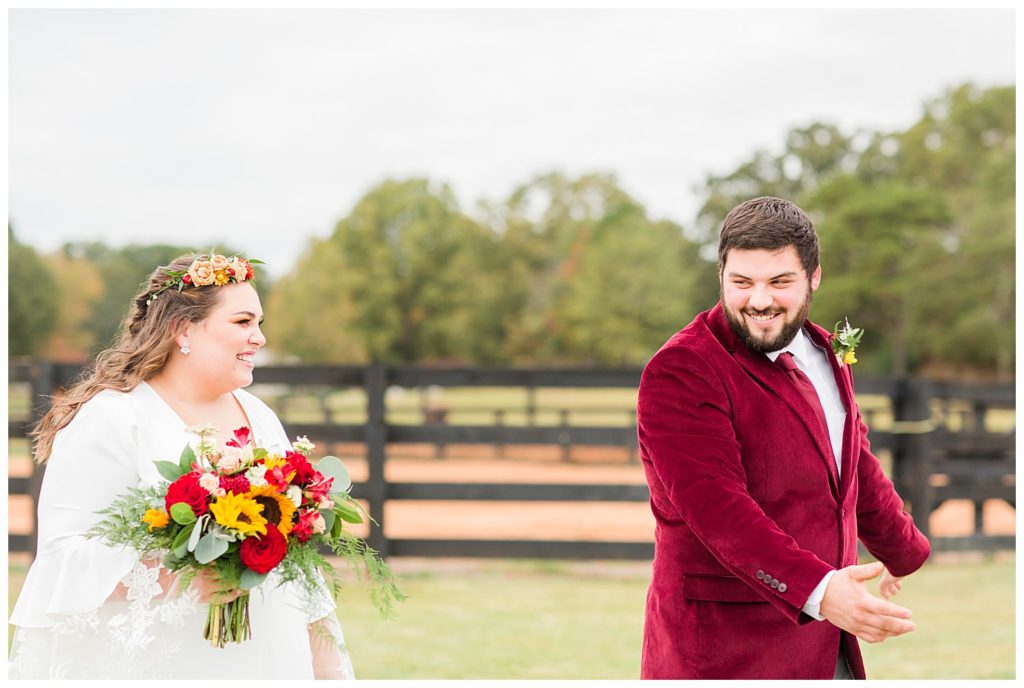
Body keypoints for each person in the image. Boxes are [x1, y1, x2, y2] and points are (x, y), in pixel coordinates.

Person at [9, 253, 356, 679]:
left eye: (259, 324)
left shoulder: (259, 415)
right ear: (183, 328)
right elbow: (62, 557)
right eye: (243, 322)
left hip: (267, 656)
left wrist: (326, 665)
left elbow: (298, 567)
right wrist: (180, 580)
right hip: (171, 662)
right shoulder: (114, 418)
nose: (259, 338)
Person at [637, 197, 931, 680]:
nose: (759, 300)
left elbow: (850, 460)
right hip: (725, 653)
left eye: (779, 282)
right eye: (741, 282)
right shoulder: (682, 369)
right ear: (721, 276)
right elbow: (717, 509)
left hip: (826, 646)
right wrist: (821, 590)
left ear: (814, 277)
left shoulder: (825, 349)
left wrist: (905, 551)